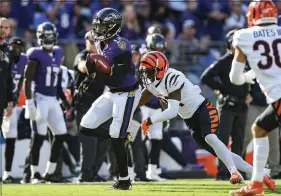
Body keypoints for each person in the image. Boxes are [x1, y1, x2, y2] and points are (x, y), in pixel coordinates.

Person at [138, 51, 275, 190]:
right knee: (223, 153)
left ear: (160, 69)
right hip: (190, 120)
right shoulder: (152, 82)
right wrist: (130, 108)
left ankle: (234, 172)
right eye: (144, 71)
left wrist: (149, 120)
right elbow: (148, 95)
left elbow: (172, 111)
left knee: (210, 137)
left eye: (149, 71)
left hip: (203, 109)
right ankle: (261, 174)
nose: (146, 75)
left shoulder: (173, 77)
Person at [79, 8, 140, 190]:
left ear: (112, 27)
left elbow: (116, 78)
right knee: (86, 126)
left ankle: (124, 180)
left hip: (127, 92)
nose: (97, 29)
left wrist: (95, 74)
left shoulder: (121, 45)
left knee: (116, 134)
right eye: (97, 25)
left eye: (102, 26)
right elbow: (93, 60)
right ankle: (122, 136)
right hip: (112, 92)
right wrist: (89, 71)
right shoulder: (98, 41)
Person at [229, 1, 281, 195]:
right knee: (259, 128)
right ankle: (256, 184)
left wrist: (249, 76)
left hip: (279, 95)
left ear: (251, 16)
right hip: (277, 98)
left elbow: (235, 79)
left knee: (259, 128)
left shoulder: (243, 36)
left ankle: (256, 184)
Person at [201, 29, 250, 180]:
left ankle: (238, 172)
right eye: (235, 43)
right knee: (222, 140)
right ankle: (223, 172)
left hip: (242, 105)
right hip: (227, 105)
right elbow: (206, 77)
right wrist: (222, 89)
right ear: (229, 44)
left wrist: (250, 93)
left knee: (239, 140)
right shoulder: (223, 61)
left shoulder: (245, 61)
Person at [23, 22, 68, 183]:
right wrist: (29, 102)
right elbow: (27, 80)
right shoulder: (34, 53)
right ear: (40, 37)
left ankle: (50, 172)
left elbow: (55, 81)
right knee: (39, 137)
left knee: (61, 134)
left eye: (50, 35)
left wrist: (63, 100)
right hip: (40, 98)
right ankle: (34, 174)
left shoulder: (57, 52)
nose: (48, 38)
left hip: (53, 99)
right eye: (45, 35)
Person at [73, 31, 109, 182]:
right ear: (86, 41)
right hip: (84, 103)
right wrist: (96, 62)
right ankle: (85, 174)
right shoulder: (83, 55)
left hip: (100, 105)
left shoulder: (105, 58)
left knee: (106, 138)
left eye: (97, 41)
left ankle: (93, 172)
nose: (94, 44)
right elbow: (82, 67)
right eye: (92, 41)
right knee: (89, 141)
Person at [1, 37, 27, 183]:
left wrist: (14, 99)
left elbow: (22, 79)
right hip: (3, 103)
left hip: (10, 106)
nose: (16, 50)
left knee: (10, 139)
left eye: (19, 48)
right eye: (13, 47)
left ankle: (7, 173)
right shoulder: (3, 58)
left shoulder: (24, 60)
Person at [0, 17, 13, 137]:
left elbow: (9, 78)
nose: (3, 30)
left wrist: (10, 102)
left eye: (6, 27)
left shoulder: (9, 51)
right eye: (1, 27)